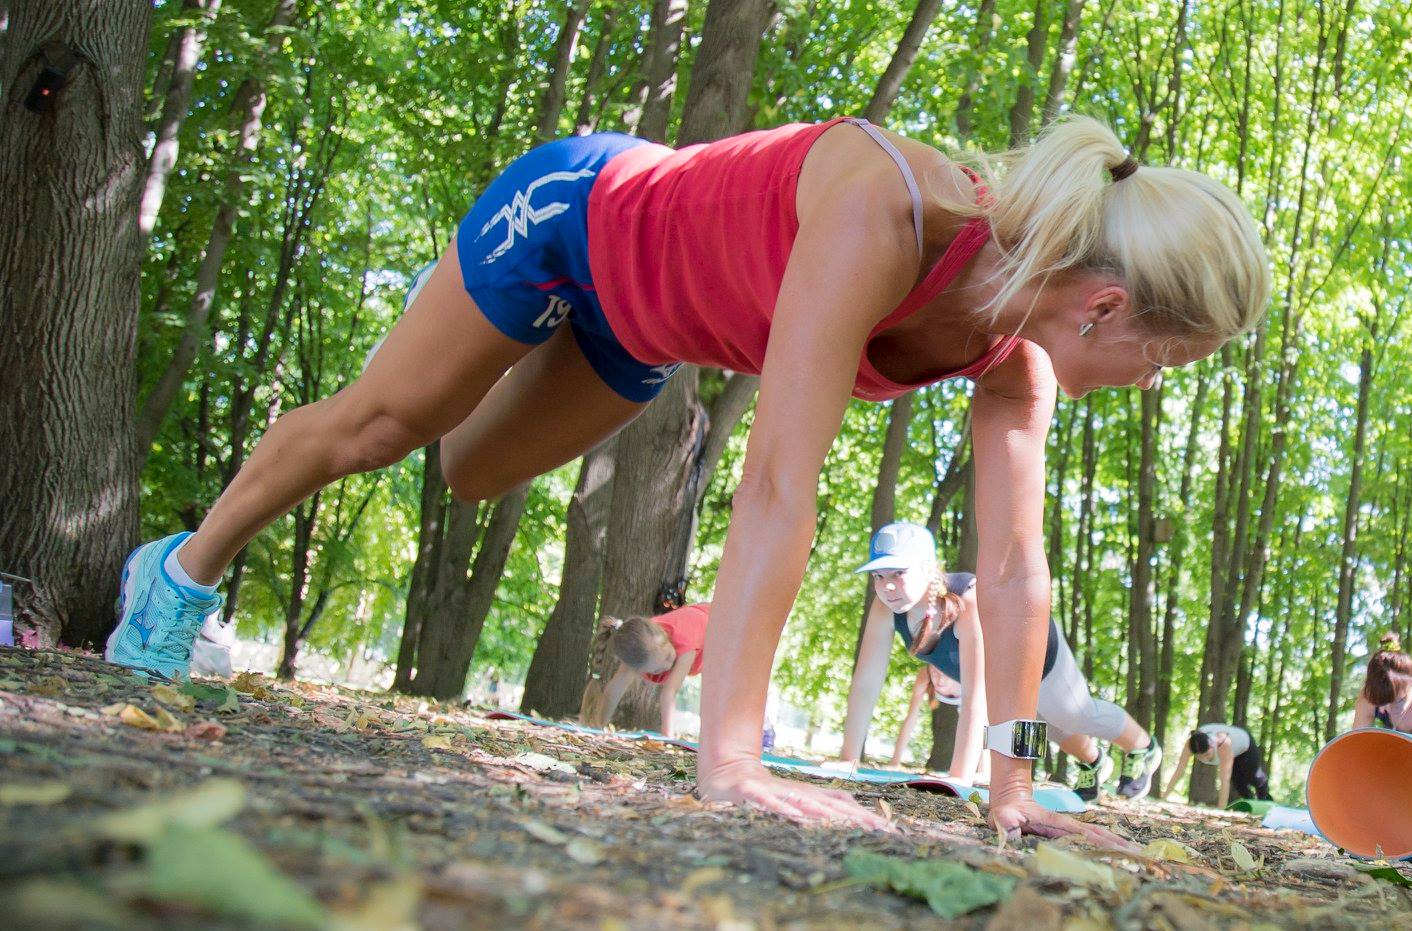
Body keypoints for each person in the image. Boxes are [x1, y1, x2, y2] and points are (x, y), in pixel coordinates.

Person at [103, 114, 1270, 840]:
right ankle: (177, 575)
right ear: (1104, 305)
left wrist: (1011, 786)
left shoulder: (1015, 358)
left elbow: (1016, 575)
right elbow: (776, 488)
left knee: (469, 469)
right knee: (386, 424)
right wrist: (732, 758)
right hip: (578, 215)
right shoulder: (890, 209)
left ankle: (478, 339)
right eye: (1163, 361)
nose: (1152, 383)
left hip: (640, 331)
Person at [840, 523, 1163, 801]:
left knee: (1073, 714)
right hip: (999, 673)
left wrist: (959, 777)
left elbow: (976, 695)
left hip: (1036, 650)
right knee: (1046, 726)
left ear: (927, 568)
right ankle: (1093, 761)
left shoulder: (966, 599)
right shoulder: (886, 609)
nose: (887, 586)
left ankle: (1143, 746)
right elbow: (866, 683)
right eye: (878, 576)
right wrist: (848, 758)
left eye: (899, 573)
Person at [595, 603, 709, 735]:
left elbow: (668, 693)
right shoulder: (638, 643)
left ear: (665, 636)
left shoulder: (684, 643)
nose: (668, 666)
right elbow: (617, 686)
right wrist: (598, 726)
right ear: (639, 670)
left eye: (668, 657)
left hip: (718, 624)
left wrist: (667, 738)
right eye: (657, 670)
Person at [1159, 724, 1269, 809]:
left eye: (1206, 754)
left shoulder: (1222, 742)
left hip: (1246, 747)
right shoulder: (1191, 744)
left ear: (1211, 745)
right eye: (1200, 757)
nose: (1205, 759)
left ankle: (1265, 800)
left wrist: (1220, 809)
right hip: (1231, 753)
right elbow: (1179, 770)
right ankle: (1252, 806)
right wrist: (1163, 798)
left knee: (1253, 777)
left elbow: (1224, 779)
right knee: (1239, 783)